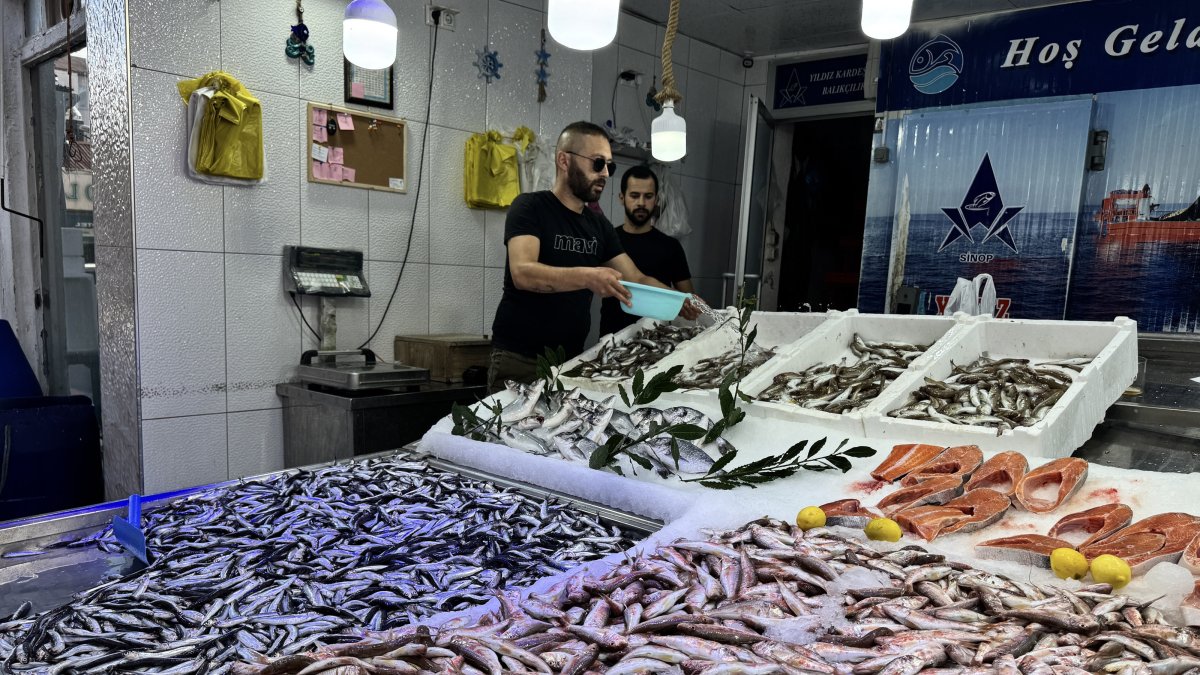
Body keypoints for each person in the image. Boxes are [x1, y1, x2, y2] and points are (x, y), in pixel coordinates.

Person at [488, 121, 699, 392]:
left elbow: (636, 277)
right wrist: (588, 276)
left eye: (609, 166)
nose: (605, 174)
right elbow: (523, 273)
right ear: (564, 161)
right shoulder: (530, 207)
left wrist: (679, 300)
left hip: (571, 360)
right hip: (519, 359)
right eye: (598, 164)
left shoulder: (598, 226)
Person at [598, 165, 694, 337]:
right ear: (621, 198)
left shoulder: (671, 246)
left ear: (656, 199)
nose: (641, 203)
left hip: (657, 340)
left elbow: (687, 298)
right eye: (634, 196)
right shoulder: (608, 240)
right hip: (611, 339)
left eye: (648, 196)